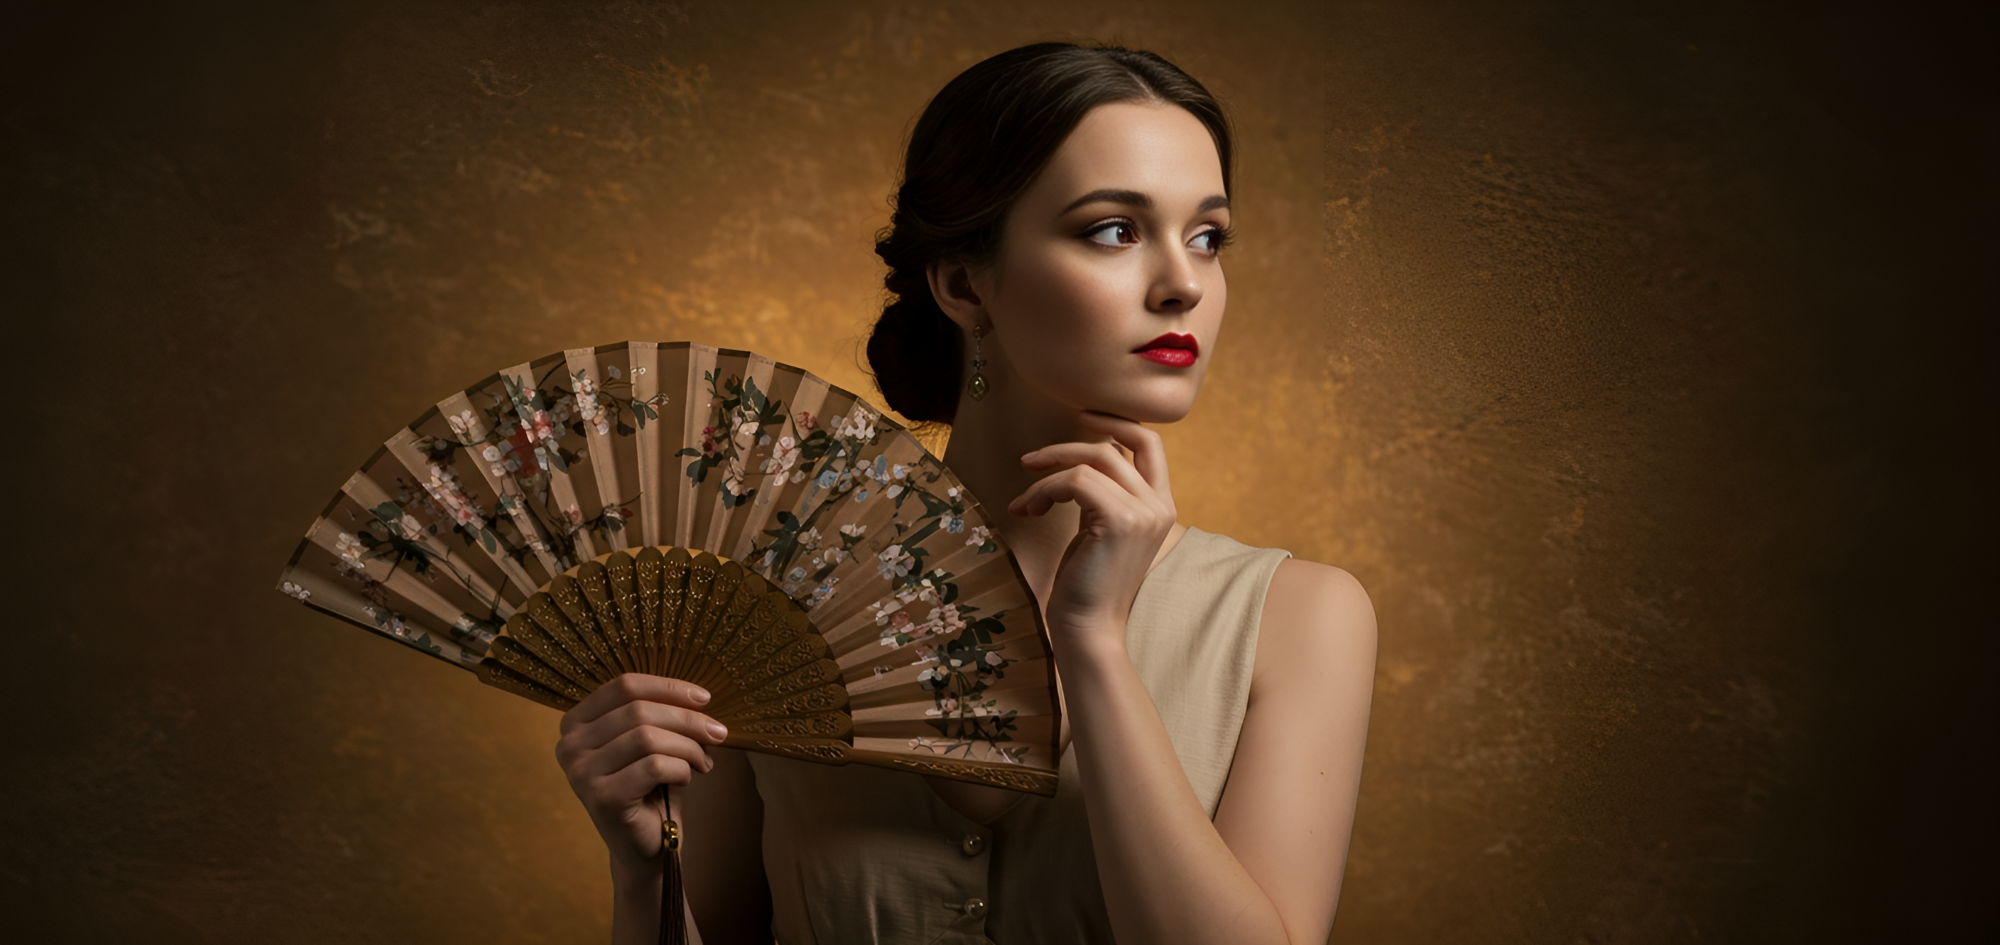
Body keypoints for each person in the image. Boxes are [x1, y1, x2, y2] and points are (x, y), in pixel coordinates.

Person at [552, 43, 1376, 945]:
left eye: (1207, 237)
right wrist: (644, 869)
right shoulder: (765, 615)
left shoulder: (1299, 618)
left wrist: (1094, 644)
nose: (1184, 284)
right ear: (961, 282)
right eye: (1114, 230)